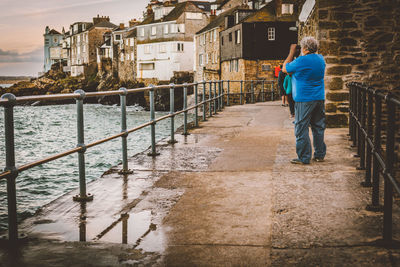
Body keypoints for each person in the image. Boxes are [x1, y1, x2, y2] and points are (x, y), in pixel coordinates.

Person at [283, 37, 326, 165]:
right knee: (318, 127)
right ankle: (319, 155)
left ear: (305, 48)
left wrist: (291, 52)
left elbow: (285, 69)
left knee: (301, 128)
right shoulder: (320, 59)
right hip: (319, 97)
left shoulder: (302, 60)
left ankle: (304, 157)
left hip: (304, 98)